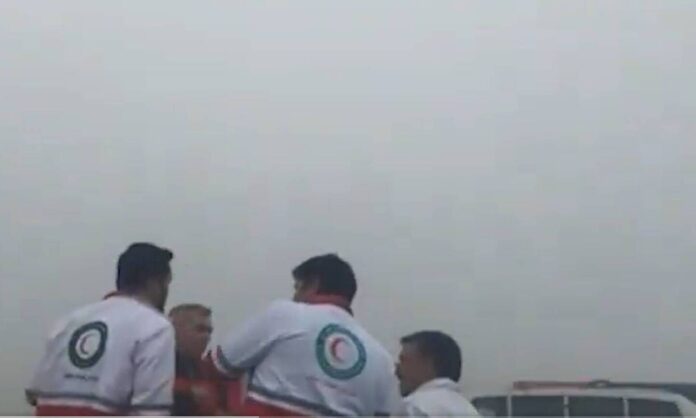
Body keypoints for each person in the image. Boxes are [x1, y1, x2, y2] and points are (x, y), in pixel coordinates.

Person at [205, 253, 402, 416]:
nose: (294, 296)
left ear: (313, 285)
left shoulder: (284, 314)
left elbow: (216, 365)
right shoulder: (382, 360)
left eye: (297, 287)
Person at [26, 243, 177, 416]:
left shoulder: (69, 320)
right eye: (167, 282)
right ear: (154, 282)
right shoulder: (155, 327)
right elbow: (151, 410)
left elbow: (34, 394)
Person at [395, 330, 480, 417]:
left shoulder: (413, 408)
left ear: (427, 365)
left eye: (403, 360)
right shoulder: (469, 409)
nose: (396, 368)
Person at [168, 304, 220, 416]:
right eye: (200, 329)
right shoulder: (154, 364)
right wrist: (187, 393)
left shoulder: (210, 370)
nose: (206, 336)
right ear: (175, 329)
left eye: (209, 331)